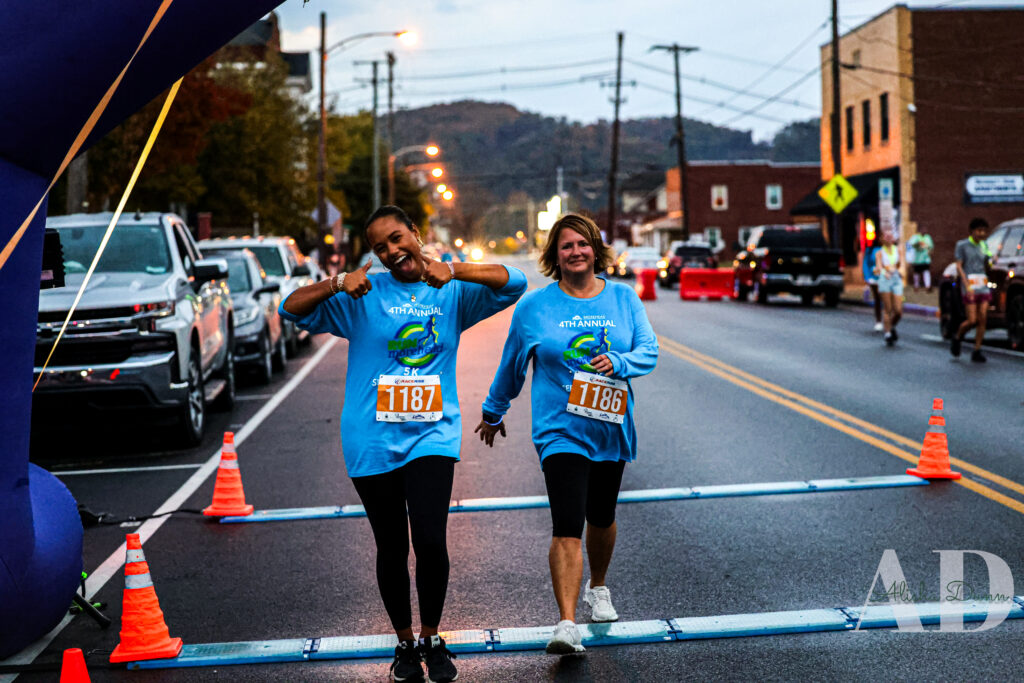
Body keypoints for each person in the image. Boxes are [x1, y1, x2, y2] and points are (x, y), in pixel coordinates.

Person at [280, 205, 527, 682]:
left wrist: (453, 269)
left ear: (416, 234)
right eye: (380, 247)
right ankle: (404, 643)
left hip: (432, 434)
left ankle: (433, 637)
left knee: (431, 540)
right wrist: (335, 284)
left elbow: (514, 283)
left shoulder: (451, 291)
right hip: (370, 438)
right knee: (391, 546)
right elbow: (289, 310)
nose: (392, 252)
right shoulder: (361, 295)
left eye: (397, 239)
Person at [475, 213, 658, 655]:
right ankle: (566, 623)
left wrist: (620, 362)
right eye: (566, 246)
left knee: (601, 515)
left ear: (595, 249)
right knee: (567, 522)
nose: (575, 251)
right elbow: (512, 363)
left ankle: (599, 587)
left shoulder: (623, 298)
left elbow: (648, 351)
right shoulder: (535, 307)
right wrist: (493, 410)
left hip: (610, 426)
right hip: (559, 429)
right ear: (554, 256)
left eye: (582, 243)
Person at [951, 217, 993, 362]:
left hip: (982, 284)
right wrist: (966, 284)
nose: (981, 234)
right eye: (979, 230)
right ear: (972, 231)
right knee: (972, 320)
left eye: (984, 231)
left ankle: (977, 349)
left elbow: (988, 263)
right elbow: (959, 266)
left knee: (983, 318)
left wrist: (991, 262)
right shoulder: (962, 245)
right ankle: (957, 336)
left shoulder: (984, 245)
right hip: (969, 284)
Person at [874, 230, 904, 346]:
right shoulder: (880, 253)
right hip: (885, 280)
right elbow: (878, 266)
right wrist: (883, 272)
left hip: (896, 279)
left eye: (890, 236)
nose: (889, 238)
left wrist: (901, 271)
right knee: (888, 308)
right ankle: (887, 333)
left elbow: (902, 265)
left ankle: (890, 326)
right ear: (882, 239)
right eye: (886, 236)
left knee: (898, 311)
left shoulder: (899, 250)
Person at [862, 237, 883, 332]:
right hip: (874, 278)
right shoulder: (870, 250)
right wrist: (867, 277)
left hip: (887, 277)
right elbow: (866, 263)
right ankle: (878, 320)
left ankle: (887, 320)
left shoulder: (890, 250)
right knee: (878, 298)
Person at [908, 228, 935, 292]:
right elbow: (911, 243)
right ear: (919, 230)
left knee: (926, 272)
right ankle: (916, 286)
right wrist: (918, 244)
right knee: (916, 273)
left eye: (925, 230)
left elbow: (931, 247)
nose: (924, 231)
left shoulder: (928, 237)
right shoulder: (916, 237)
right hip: (917, 259)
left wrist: (929, 250)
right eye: (922, 229)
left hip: (925, 259)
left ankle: (927, 286)